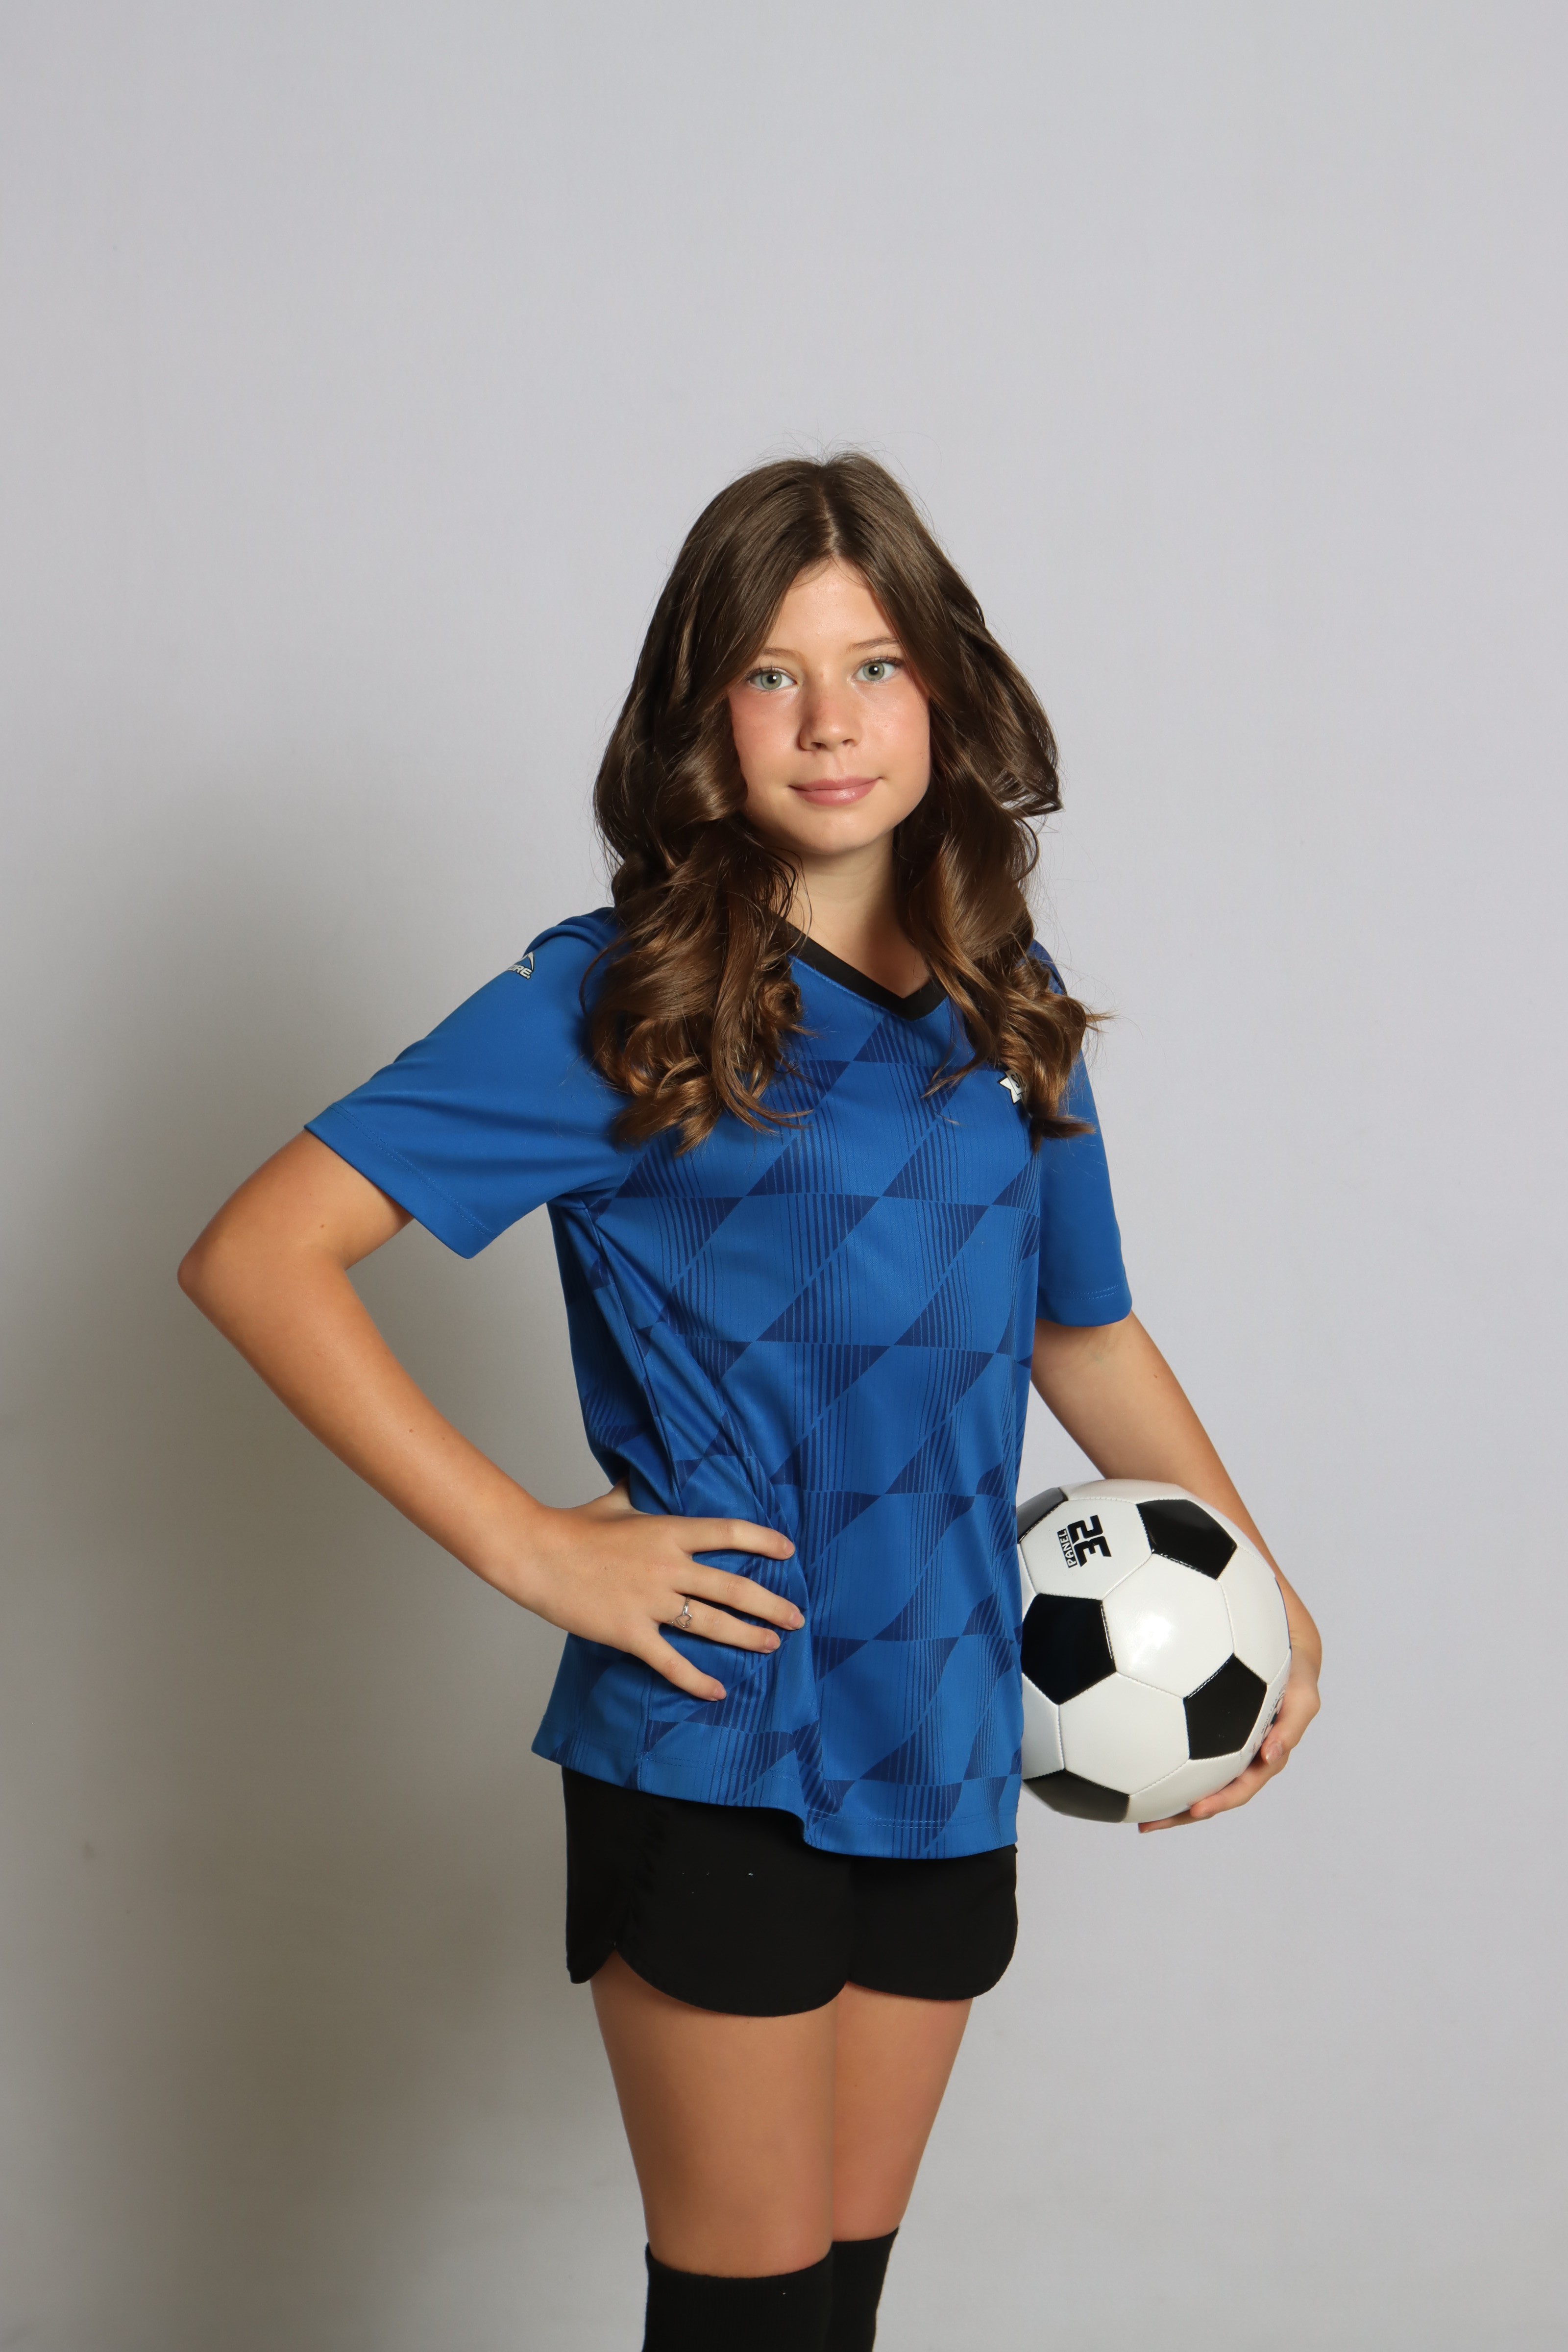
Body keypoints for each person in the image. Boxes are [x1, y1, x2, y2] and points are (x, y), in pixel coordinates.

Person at [178, 453, 1322, 2351]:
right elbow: (259, 1256)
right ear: (701, 712)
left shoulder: (1002, 993)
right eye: (771, 676)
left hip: (945, 1725)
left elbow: (1085, 1334)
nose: (828, 723)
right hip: (723, 1739)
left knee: (836, 2311)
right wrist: (533, 1548)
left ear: (943, 690)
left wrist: (1257, 1592)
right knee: (748, 2326)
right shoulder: (620, 1000)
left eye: (872, 668)